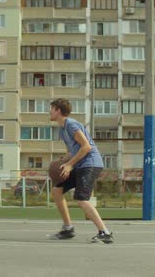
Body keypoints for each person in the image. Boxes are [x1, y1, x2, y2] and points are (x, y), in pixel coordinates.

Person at [49, 98, 113, 244]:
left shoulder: (71, 124)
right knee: (57, 190)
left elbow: (86, 147)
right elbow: (74, 150)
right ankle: (68, 228)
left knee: (82, 199)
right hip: (79, 164)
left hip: (90, 164)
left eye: (51, 109)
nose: (50, 112)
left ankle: (105, 233)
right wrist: (63, 161)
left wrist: (69, 165)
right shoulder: (62, 128)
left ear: (58, 110)